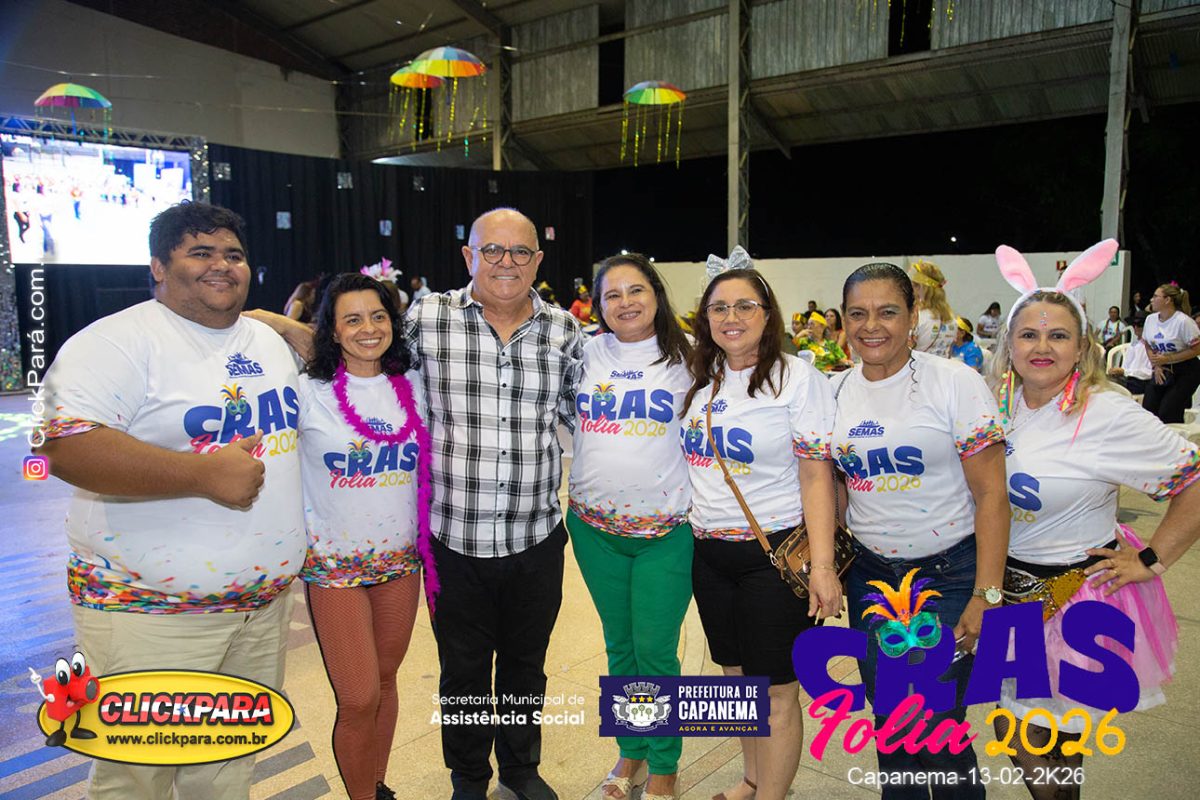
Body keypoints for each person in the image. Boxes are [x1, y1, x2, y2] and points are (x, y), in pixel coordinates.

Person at [34, 202, 304, 799]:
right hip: (151, 614)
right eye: (200, 252)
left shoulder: (266, 340)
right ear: (158, 266)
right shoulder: (115, 342)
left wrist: (284, 324)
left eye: (233, 254)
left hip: (260, 610)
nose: (221, 265)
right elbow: (60, 447)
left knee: (229, 763)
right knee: (138, 772)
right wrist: (201, 475)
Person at [988, 241, 1200, 800]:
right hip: (1007, 596)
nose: (1042, 347)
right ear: (1008, 343)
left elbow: (1195, 481)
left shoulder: (1106, 412)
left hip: (1076, 599)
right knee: (1027, 732)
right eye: (1028, 335)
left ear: (1082, 345)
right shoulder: (995, 404)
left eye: (1058, 335)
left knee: (1046, 735)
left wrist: (1151, 558)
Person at [408, 208, 583, 800]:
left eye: (520, 252)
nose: (506, 263)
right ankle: (468, 777)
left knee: (525, 665)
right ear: (469, 256)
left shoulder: (565, 331)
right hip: (452, 539)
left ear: (538, 260)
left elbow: (587, 411)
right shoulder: (427, 319)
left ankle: (520, 768)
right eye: (492, 250)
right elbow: (358, 360)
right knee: (461, 671)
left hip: (536, 537)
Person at [250, 274, 430, 800]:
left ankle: (377, 784)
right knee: (357, 697)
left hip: (401, 565)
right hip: (333, 570)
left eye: (378, 316)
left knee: (386, 681)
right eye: (351, 319)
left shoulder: (415, 385)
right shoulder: (308, 392)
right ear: (330, 329)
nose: (368, 329)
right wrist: (276, 321)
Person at [832, 262, 1008, 800]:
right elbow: (835, 484)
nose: (871, 326)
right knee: (890, 713)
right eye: (857, 313)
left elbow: (992, 495)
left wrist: (986, 594)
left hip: (948, 574)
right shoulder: (832, 390)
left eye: (888, 311)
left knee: (936, 720)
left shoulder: (954, 382)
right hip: (872, 578)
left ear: (913, 317)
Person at [682, 250, 839, 800]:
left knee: (774, 692)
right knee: (735, 683)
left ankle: (773, 794)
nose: (732, 317)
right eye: (719, 307)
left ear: (768, 314)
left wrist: (824, 567)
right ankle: (753, 779)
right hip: (708, 555)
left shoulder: (796, 378)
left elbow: (816, 476)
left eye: (745, 305)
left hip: (772, 556)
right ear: (705, 317)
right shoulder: (700, 379)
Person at [567, 253, 693, 800]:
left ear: (656, 295)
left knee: (655, 651)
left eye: (636, 290)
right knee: (620, 647)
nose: (625, 302)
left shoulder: (691, 357)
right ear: (598, 305)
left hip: (667, 534)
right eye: (612, 295)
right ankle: (631, 752)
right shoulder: (584, 352)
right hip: (594, 530)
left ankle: (664, 766)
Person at [1142, 283, 1200, 423]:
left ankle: (1175, 436)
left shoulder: (1183, 321)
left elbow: (1197, 349)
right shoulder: (1150, 319)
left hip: (1186, 370)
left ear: (1167, 300)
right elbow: (1148, 344)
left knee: (1168, 411)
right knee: (1148, 409)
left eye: (1156, 296)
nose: (1151, 300)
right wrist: (1156, 364)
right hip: (1162, 368)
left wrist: (1168, 358)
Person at [909, 260, 956, 358]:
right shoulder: (951, 318)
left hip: (918, 366)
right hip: (943, 366)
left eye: (914, 285)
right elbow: (949, 352)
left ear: (923, 288)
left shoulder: (917, 316)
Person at [1108, 317, 1151, 395]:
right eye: (1134, 325)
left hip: (1141, 381)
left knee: (1109, 385)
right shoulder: (1133, 344)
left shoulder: (1151, 346)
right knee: (1102, 380)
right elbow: (1125, 366)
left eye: (1139, 325)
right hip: (1127, 378)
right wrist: (1118, 371)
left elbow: (1149, 372)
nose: (1136, 328)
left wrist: (1125, 372)